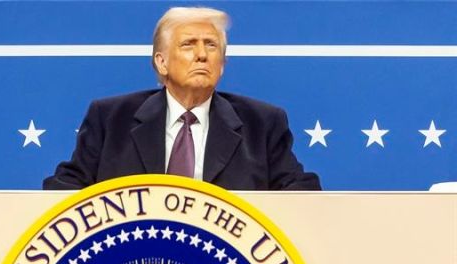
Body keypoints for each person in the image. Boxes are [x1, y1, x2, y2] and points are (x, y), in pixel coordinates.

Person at [43, 7, 320, 191]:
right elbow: (65, 189)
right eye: (189, 44)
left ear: (221, 64)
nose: (202, 54)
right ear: (161, 62)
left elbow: (301, 194)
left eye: (211, 46)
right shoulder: (110, 118)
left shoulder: (262, 124)